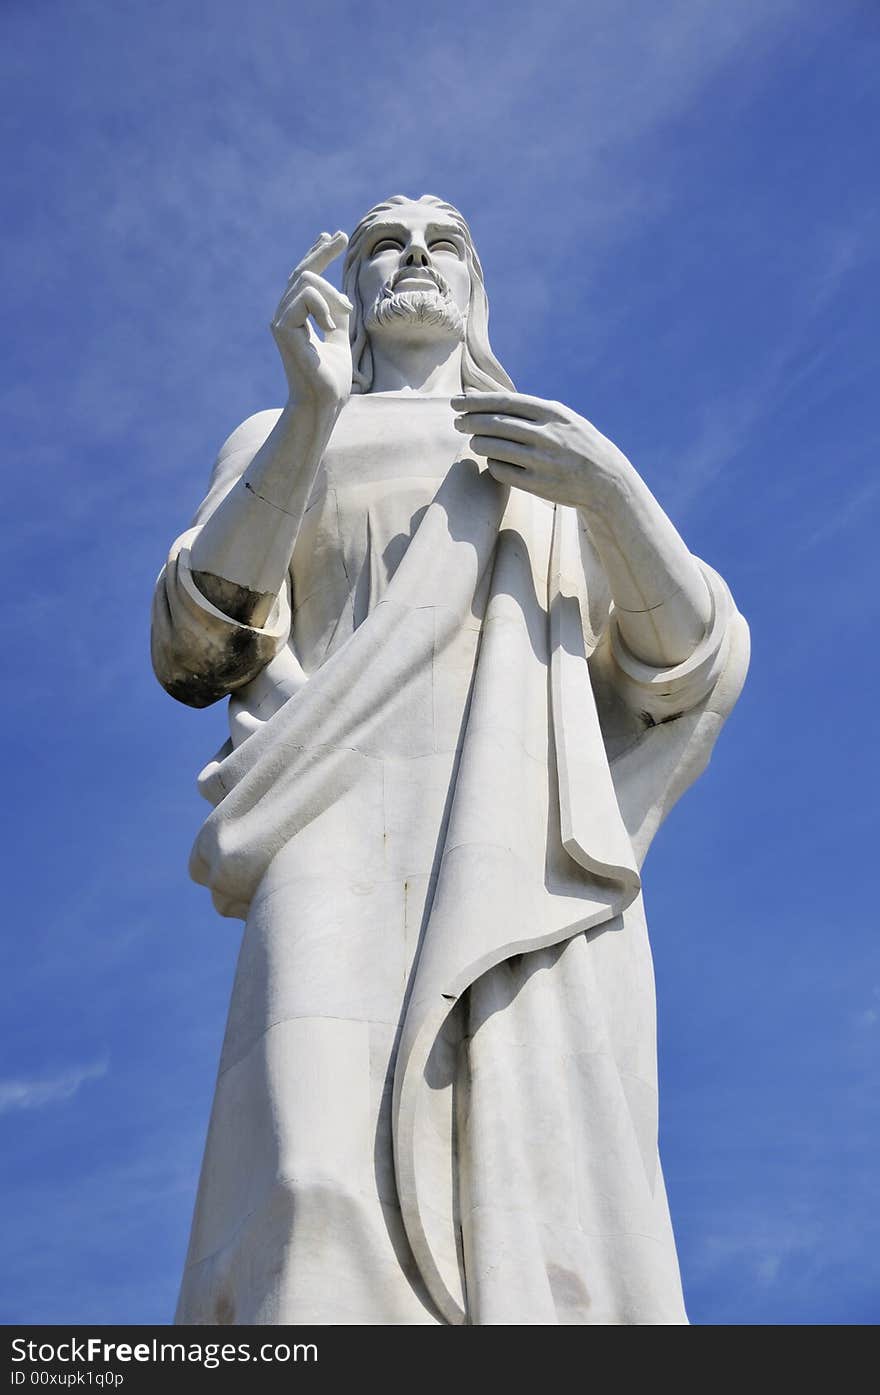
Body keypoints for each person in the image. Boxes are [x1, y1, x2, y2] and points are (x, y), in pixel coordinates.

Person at [152, 194, 749, 1325]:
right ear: (359, 291)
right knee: (308, 1184)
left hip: (524, 845)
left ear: (475, 290)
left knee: (541, 1201)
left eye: (445, 242)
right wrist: (307, 415)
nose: (416, 256)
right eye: (387, 242)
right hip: (323, 820)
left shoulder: (544, 447)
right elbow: (195, 644)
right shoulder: (285, 430)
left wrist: (614, 496)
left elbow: (685, 669)